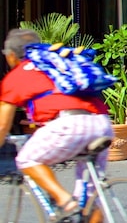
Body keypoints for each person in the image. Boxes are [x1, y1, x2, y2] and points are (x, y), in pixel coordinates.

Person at [0, 29, 113, 221]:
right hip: (102, 123)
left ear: (11, 56)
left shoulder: (17, 75)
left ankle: (65, 201)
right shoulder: (57, 62)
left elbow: (3, 125)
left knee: (27, 160)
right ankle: (82, 207)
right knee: (90, 198)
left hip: (69, 125)